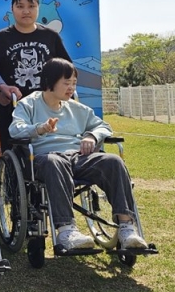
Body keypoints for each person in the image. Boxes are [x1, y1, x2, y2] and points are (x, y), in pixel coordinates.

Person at [8, 58, 148, 252]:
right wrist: (40, 128)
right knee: (54, 162)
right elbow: (15, 130)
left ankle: (126, 228)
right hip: (46, 158)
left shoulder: (76, 108)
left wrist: (91, 136)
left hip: (77, 156)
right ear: (49, 81)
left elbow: (104, 126)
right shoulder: (29, 104)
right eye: (66, 83)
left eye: (74, 83)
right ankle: (67, 230)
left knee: (113, 161)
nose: (71, 88)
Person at [0, 0, 71, 151]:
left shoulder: (51, 36)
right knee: (13, 152)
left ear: (38, 8)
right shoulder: (0, 38)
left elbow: (66, 70)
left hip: (46, 106)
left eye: (31, 6)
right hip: (12, 107)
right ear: (12, 8)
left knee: (49, 151)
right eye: (20, 6)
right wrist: (0, 93)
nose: (26, 11)